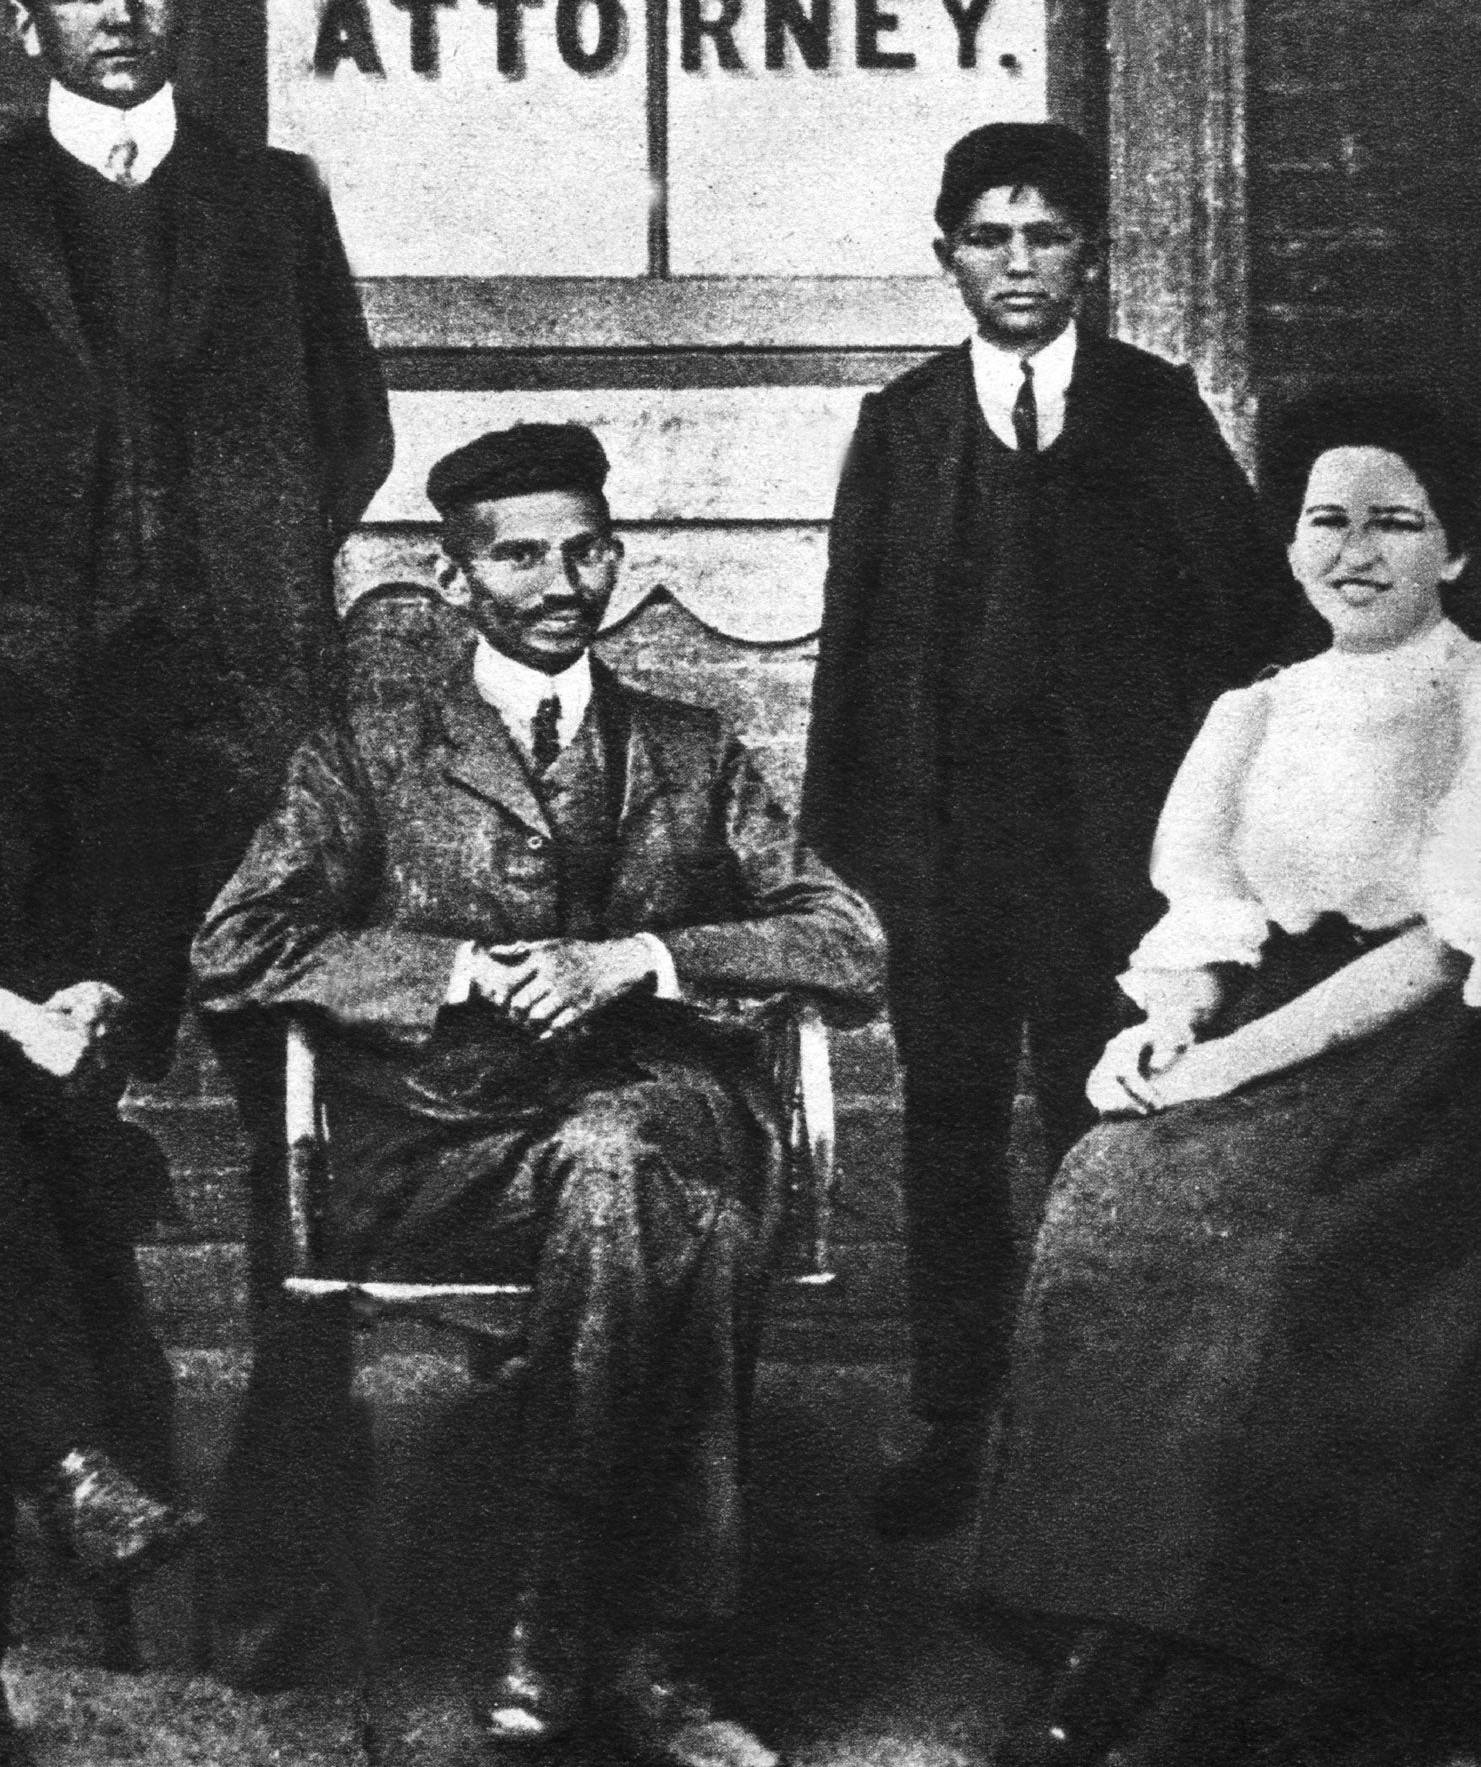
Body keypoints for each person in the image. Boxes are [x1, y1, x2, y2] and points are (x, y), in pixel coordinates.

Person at [190, 423, 886, 1764]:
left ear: (616, 554)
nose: (562, 580)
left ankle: (550, 1623)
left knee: (624, 1154)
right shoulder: (369, 754)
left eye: (587, 549)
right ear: (458, 583)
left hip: (654, 1115)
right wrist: (452, 971)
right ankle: (650, 1652)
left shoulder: (693, 751)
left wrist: (644, 956)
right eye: (520, 555)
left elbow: (848, 941)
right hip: (451, 1150)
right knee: (659, 1204)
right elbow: (234, 948)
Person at [801, 121, 1291, 1538]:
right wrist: (855, 859)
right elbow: (855, 652)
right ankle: (958, 1418)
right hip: (950, 859)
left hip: (1111, 866)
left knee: (1111, 1121)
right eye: (991, 236)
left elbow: (1253, 623)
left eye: (1050, 234)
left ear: (1093, 251)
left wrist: (1201, 839)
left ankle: (1102, 1432)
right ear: (944, 252)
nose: (1020, 262)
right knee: (949, 1137)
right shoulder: (903, 423)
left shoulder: (1150, 406)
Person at [980, 386, 1481, 1766]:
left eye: (1398, 521)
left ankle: (1214, 1650)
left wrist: (1229, 1072)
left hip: (1431, 1055)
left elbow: (1437, 958)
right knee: (1103, 1188)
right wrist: (1168, 1028)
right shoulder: (1255, 713)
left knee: (1265, 1234)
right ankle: (1101, 1622)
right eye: (1328, 520)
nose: (1356, 551)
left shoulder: (1479, 700)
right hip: (1269, 1015)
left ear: (1456, 549)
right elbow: (1212, 917)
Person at [0, 0, 392, 1075]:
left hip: (242, 694)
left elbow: (352, 429)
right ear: (26, 26)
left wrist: (255, 564)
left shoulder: (272, 197)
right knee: (50, 1039)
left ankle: (287, 1267)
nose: (118, 15)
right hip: (32, 693)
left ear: (182, 8)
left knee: (280, 1040)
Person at [0, 679, 204, 1767]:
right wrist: (13, 1019)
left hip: (20, 1099)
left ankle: (81, 1474)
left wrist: (90, 988)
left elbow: (72, 898)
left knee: (36, 1157)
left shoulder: (23, 714)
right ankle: (70, 1460)